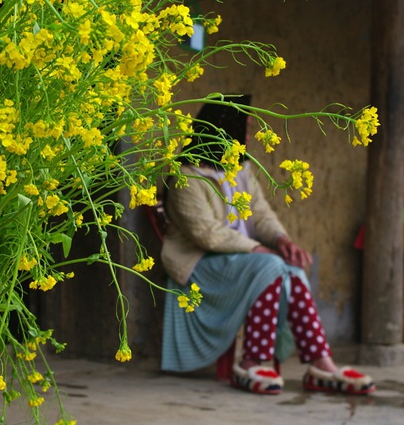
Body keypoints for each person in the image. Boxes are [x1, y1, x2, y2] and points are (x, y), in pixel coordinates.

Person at [160, 97, 375, 395]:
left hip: (239, 262)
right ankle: (252, 362)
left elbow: (260, 214)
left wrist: (280, 241)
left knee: (291, 268)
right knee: (271, 265)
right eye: (244, 128)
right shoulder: (186, 176)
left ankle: (321, 364)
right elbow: (205, 234)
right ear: (224, 129)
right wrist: (256, 249)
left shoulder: (241, 169)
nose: (248, 137)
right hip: (201, 266)